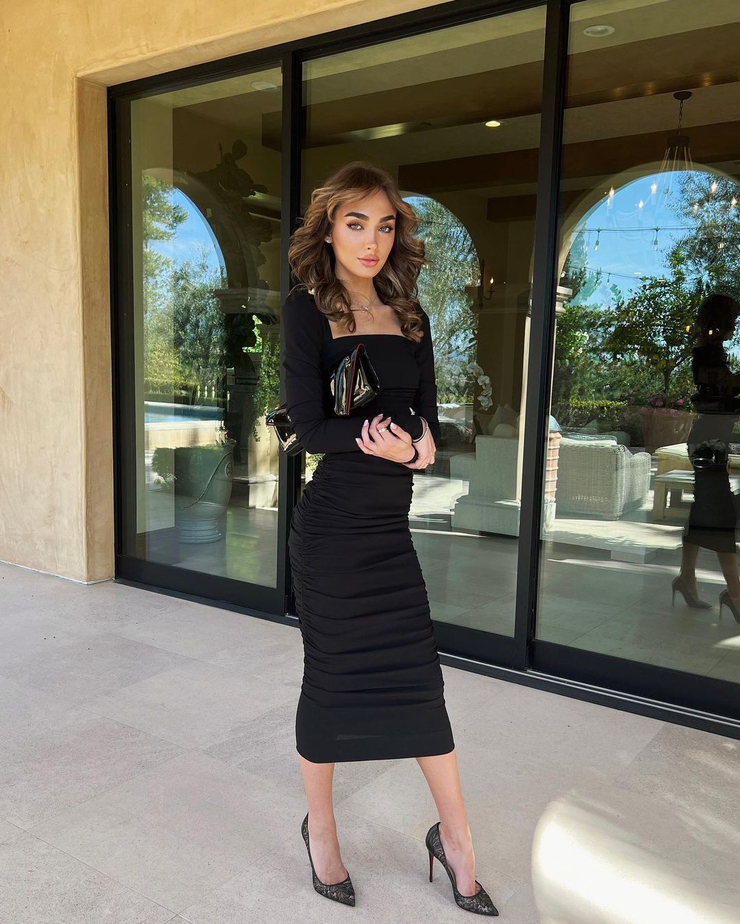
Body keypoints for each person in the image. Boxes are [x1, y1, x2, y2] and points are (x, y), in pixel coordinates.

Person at [282, 161, 498, 916]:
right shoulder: (307, 311)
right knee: (331, 682)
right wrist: (376, 443)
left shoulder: (411, 315)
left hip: (387, 533)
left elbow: (427, 418)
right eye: (355, 223)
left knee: (419, 684)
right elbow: (308, 428)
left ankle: (457, 838)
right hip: (332, 532)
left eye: (384, 225)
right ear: (329, 229)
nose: (371, 240)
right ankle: (322, 831)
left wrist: (423, 447)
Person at [673, 292, 740, 623]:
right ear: (721, 321)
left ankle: (686, 578)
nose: (735, 326)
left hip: (712, 439)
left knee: (705, 510)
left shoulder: (711, 352)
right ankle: (735, 593)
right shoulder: (705, 353)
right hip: (708, 442)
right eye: (733, 320)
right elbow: (720, 393)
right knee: (720, 513)